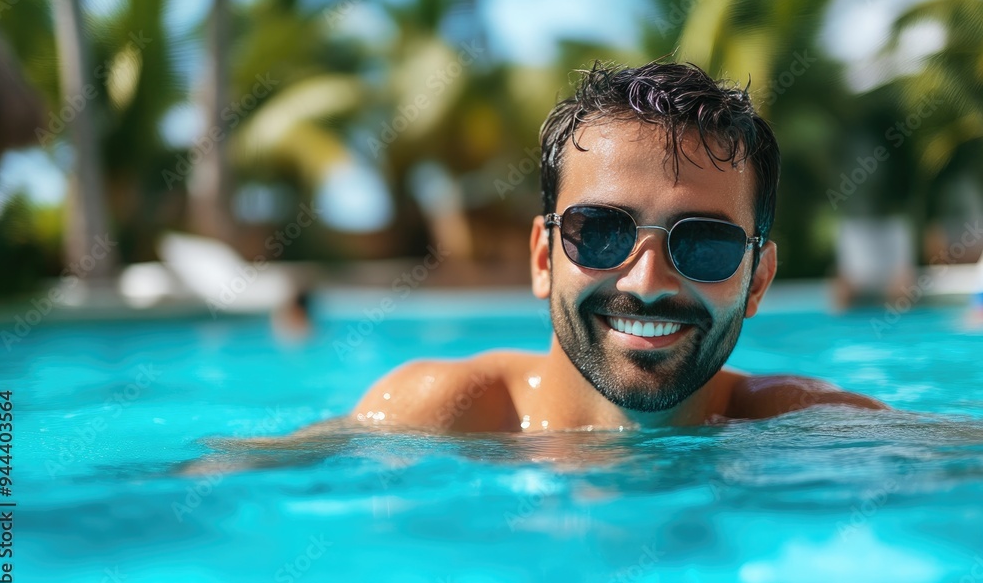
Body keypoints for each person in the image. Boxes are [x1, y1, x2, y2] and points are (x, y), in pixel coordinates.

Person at [322, 61, 889, 436]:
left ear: (757, 280)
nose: (646, 283)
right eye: (600, 232)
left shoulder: (806, 428)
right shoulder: (430, 416)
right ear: (544, 258)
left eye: (705, 242)